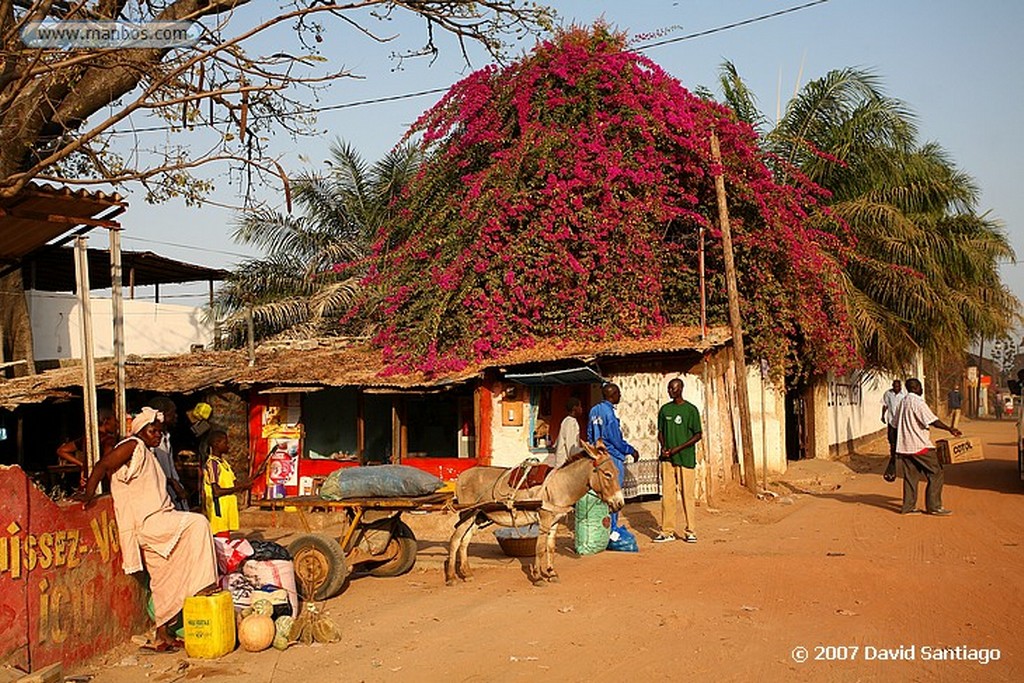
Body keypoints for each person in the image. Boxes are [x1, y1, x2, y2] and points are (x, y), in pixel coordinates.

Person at [77, 407, 217, 649]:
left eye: (160, 432)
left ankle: (162, 633)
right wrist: (89, 493)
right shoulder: (133, 445)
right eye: (153, 431)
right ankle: (204, 585)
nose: (158, 436)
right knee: (198, 524)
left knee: (163, 578)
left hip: (156, 523)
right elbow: (102, 464)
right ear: (140, 430)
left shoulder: (150, 455)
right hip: (150, 523)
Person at [894, 378, 961, 516]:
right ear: (917, 387)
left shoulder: (902, 402)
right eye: (920, 387)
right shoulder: (918, 402)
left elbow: (894, 424)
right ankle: (934, 506)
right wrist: (950, 429)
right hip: (919, 445)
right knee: (936, 472)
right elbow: (932, 421)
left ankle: (908, 507)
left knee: (911, 477)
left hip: (905, 446)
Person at [587, 383, 639, 535]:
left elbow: (590, 434)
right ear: (613, 394)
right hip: (612, 458)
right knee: (614, 493)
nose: (620, 396)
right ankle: (612, 528)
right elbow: (615, 439)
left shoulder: (594, 410)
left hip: (598, 457)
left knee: (600, 493)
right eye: (619, 393)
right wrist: (630, 450)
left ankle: (601, 528)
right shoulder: (609, 413)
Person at [654, 378, 702, 543]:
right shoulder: (665, 410)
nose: (670, 391)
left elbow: (698, 435)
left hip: (686, 459)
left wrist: (678, 448)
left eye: (673, 388)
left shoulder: (691, 410)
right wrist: (664, 447)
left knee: (687, 495)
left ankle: (690, 531)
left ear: (680, 389)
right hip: (668, 460)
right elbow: (660, 432)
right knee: (667, 495)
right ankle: (667, 531)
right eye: (669, 388)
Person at [203, 430, 264, 537]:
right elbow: (216, 492)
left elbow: (235, 485)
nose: (228, 446)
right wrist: (240, 487)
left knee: (225, 542)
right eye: (225, 443)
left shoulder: (224, 463)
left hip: (226, 511)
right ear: (216, 444)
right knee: (222, 544)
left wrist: (255, 476)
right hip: (218, 512)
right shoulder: (212, 464)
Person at [56, 408, 120, 486]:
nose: (116, 424)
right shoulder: (108, 440)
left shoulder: (88, 438)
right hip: (102, 481)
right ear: (106, 421)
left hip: (89, 479)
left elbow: (62, 450)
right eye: (115, 420)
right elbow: (107, 463)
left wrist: (83, 465)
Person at [149, 396, 189, 510]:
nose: (176, 416)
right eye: (173, 413)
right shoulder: (152, 442)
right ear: (163, 415)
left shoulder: (166, 437)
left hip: (173, 492)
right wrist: (171, 482)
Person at [881, 380, 906, 482]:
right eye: (895, 386)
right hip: (891, 420)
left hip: (900, 420)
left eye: (898, 386)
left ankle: (900, 452)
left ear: (900, 386)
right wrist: (882, 416)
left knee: (900, 438)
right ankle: (893, 453)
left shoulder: (904, 394)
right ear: (892, 386)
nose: (896, 388)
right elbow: (885, 405)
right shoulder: (888, 394)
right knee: (891, 439)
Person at [549, 397, 583, 467]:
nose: (581, 409)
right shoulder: (570, 423)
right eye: (580, 406)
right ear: (574, 408)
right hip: (564, 465)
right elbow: (571, 449)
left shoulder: (566, 421)